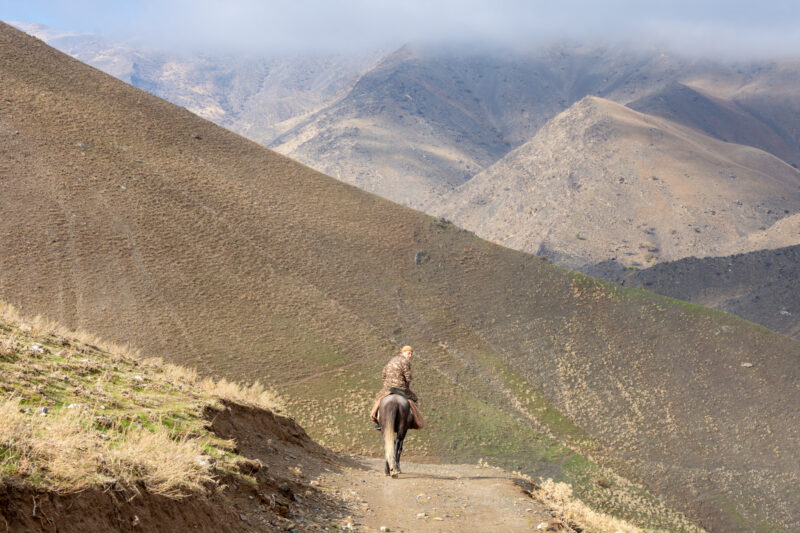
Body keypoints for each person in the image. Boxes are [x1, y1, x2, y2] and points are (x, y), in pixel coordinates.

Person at [370, 345, 424, 430]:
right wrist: (408, 381)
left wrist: (387, 384)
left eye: (411, 354)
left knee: (378, 400)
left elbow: (383, 375)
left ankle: (377, 421)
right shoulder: (405, 362)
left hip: (388, 388)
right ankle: (414, 421)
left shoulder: (391, 361)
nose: (410, 356)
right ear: (403, 352)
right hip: (401, 387)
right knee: (415, 399)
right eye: (409, 353)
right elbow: (408, 377)